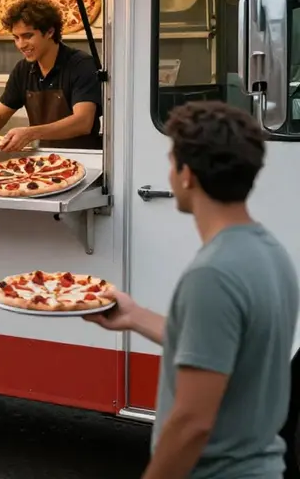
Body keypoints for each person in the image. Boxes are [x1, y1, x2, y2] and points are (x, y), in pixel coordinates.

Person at [86, 101, 299, 479]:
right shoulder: (270, 251)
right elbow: (226, 348)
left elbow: (192, 422)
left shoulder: (213, 273)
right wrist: (134, 316)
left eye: (171, 162)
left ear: (187, 175)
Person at [0, 0, 102, 151]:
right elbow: (0, 116)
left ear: (50, 32)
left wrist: (31, 133)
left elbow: (83, 122)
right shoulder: (23, 70)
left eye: (28, 36)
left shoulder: (81, 65)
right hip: (43, 160)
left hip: (85, 159)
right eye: (16, 38)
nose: (21, 45)